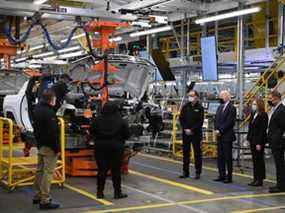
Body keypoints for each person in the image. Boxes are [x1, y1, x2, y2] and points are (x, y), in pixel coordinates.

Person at [91, 102, 130, 199]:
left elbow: (92, 132)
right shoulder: (121, 121)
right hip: (116, 147)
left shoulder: (97, 120)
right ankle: (117, 193)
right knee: (116, 171)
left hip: (100, 147)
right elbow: (127, 134)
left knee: (101, 170)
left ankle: (99, 193)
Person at [32, 89, 60, 210]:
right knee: (48, 173)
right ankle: (45, 200)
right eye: (55, 98)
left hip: (41, 144)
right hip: (49, 147)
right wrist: (56, 148)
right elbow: (52, 133)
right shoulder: (49, 113)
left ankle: (37, 195)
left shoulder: (38, 109)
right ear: (51, 99)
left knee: (40, 170)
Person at [179, 90, 204, 179]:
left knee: (197, 153)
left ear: (196, 97)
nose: (190, 97)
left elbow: (200, 122)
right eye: (189, 95)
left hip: (196, 134)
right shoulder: (185, 107)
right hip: (186, 133)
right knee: (186, 153)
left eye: (192, 95)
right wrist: (185, 128)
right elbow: (181, 118)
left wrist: (192, 130)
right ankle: (185, 172)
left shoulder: (200, 108)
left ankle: (198, 172)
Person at [214, 90, 236, 184]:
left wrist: (220, 130)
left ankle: (229, 176)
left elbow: (230, 122)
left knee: (228, 157)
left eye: (221, 96)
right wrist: (216, 129)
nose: (220, 98)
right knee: (220, 157)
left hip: (227, 136)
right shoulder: (220, 107)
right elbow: (216, 119)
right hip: (219, 136)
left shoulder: (232, 108)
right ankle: (221, 175)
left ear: (227, 97)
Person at [247, 98, 268, 186]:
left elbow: (262, 130)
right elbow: (251, 127)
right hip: (252, 140)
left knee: (259, 160)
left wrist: (259, 143)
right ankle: (255, 178)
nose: (253, 106)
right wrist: (248, 139)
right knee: (255, 160)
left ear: (259, 105)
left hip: (259, 141)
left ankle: (260, 179)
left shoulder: (263, 115)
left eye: (255, 104)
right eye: (253, 104)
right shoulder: (253, 114)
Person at [267, 91, 285, 193]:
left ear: (277, 98)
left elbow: (282, 126)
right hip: (275, 141)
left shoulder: (281, 110)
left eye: (271, 99)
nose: (269, 100)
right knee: (278, 164)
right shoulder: (275, 109)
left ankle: (281, 186)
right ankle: (280, 184)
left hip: (278, 142)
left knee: (280, 165)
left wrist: (277, 137)